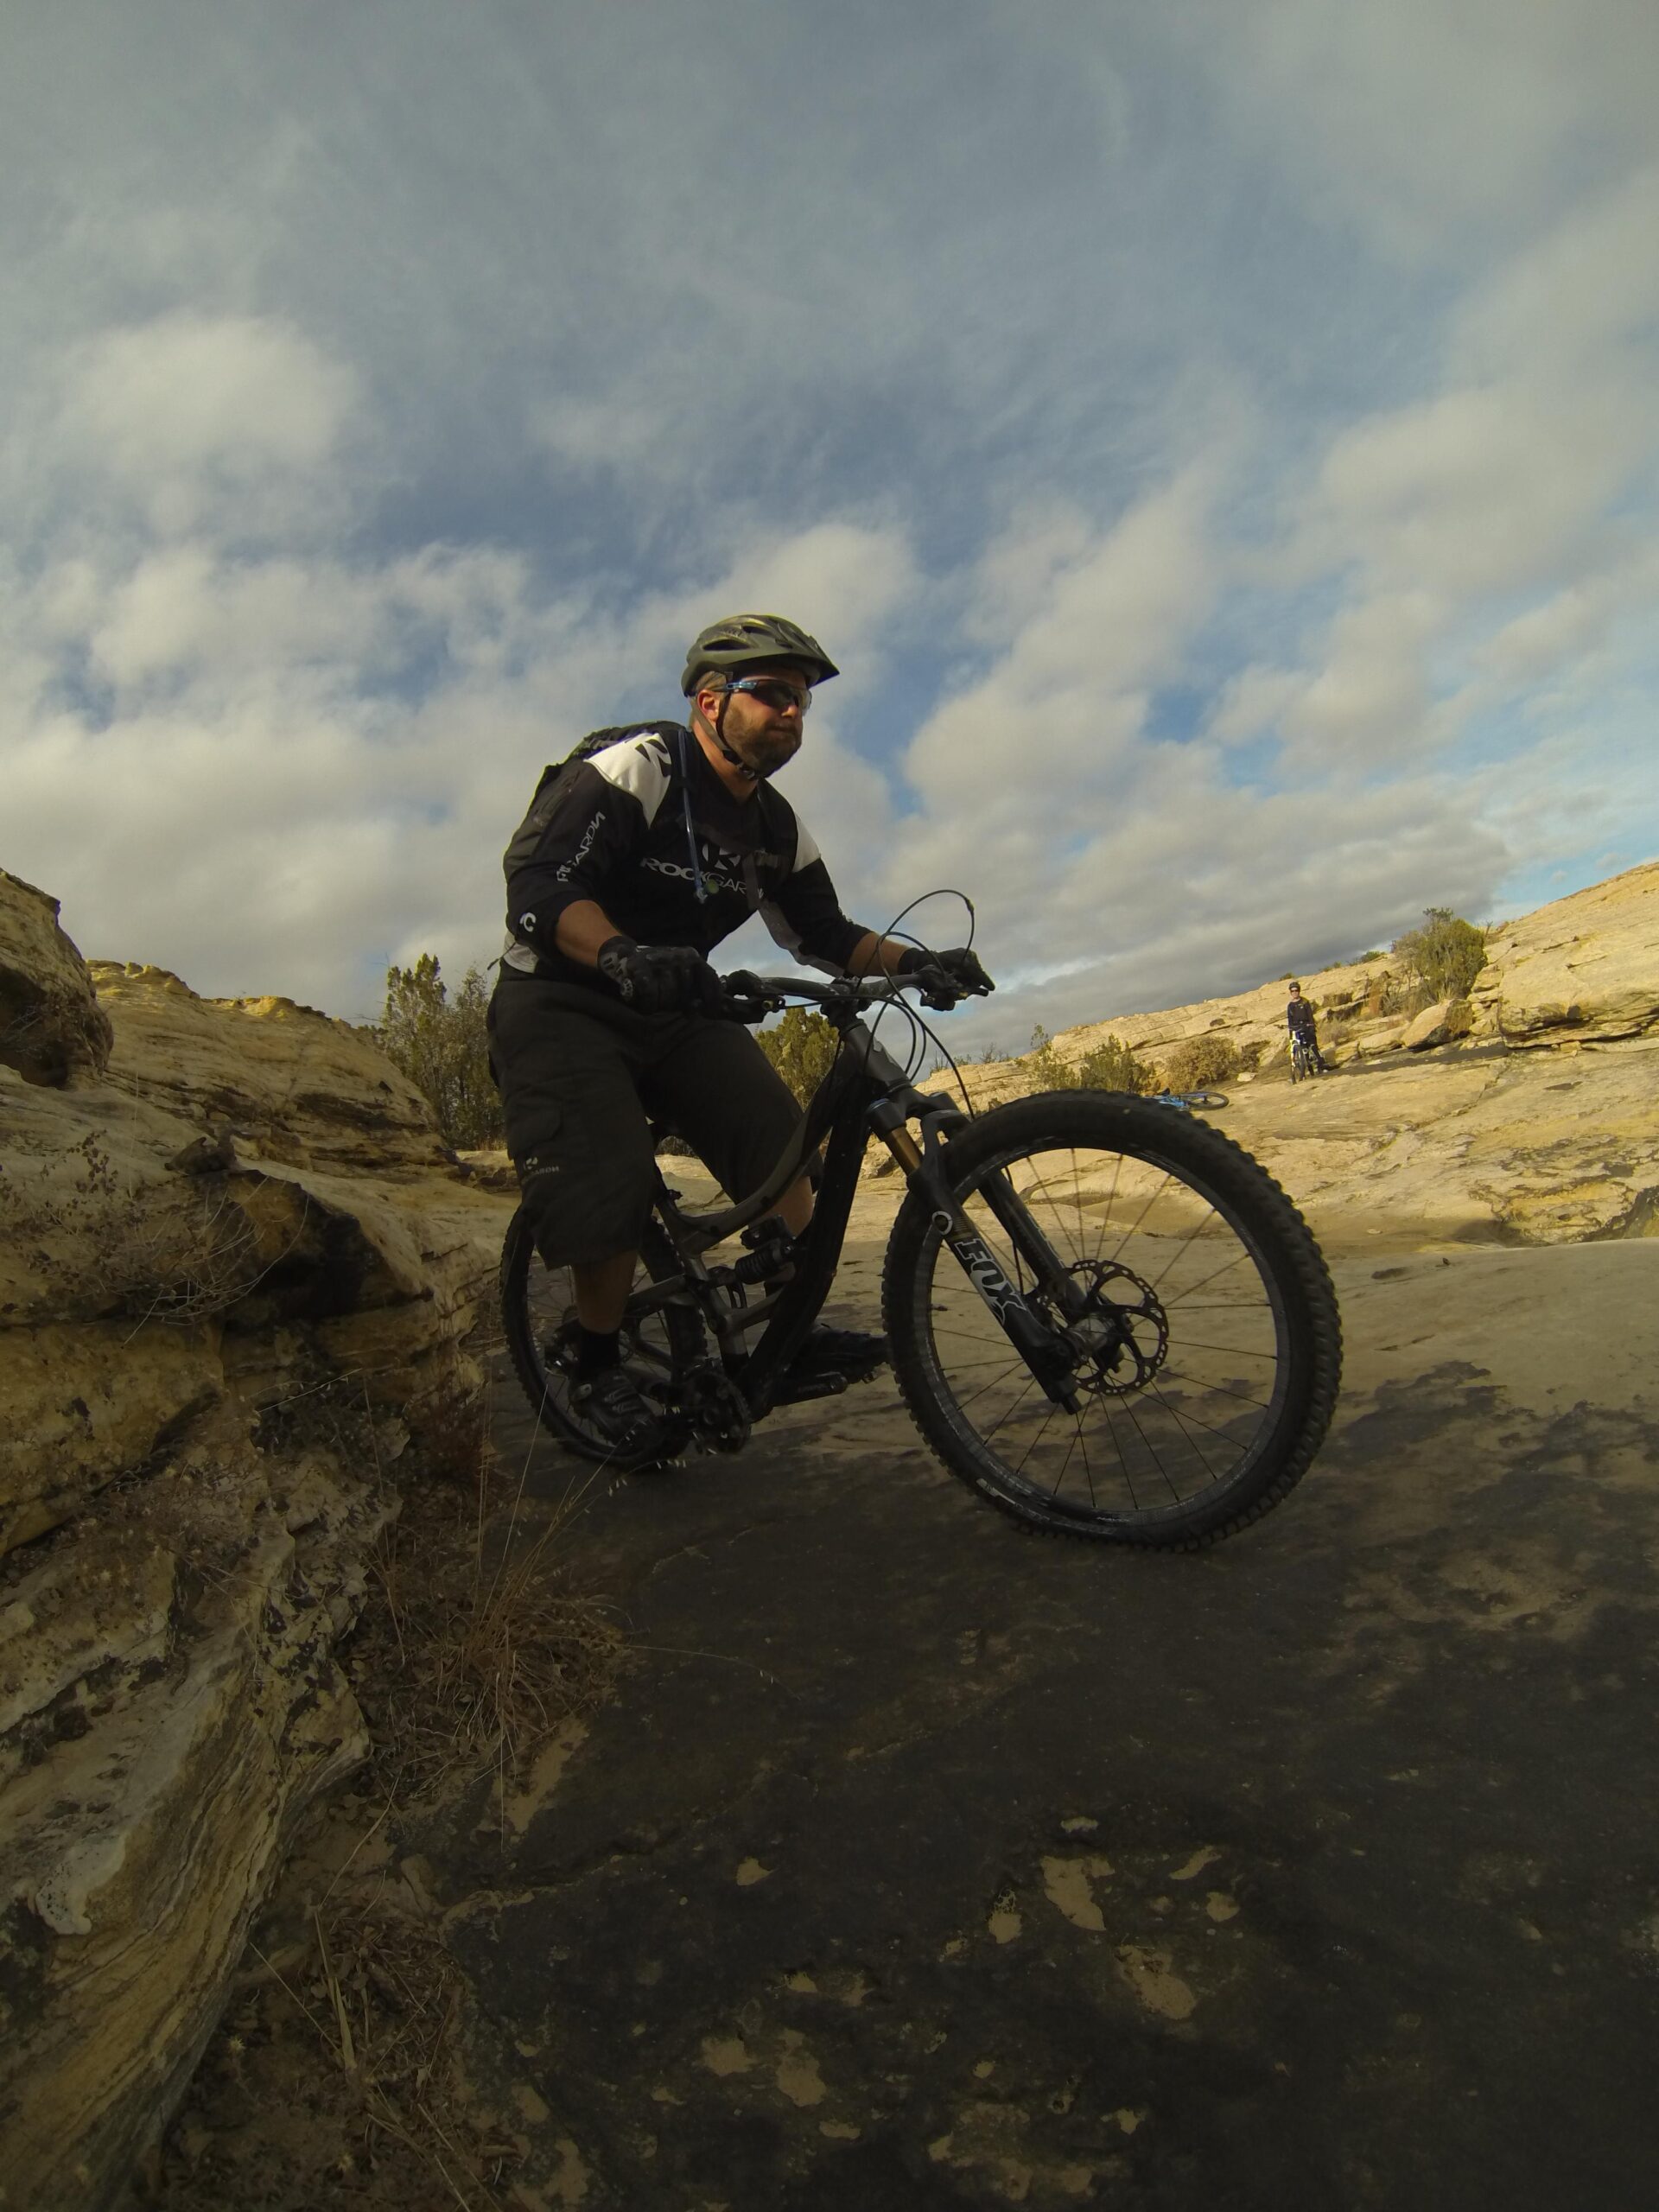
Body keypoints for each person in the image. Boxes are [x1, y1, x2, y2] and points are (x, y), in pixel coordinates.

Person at [489, 613, 993, 1458]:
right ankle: (597, 1354)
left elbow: (824, 931)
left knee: (786, 1145)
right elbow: (537, 884)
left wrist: (918, 962)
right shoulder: (643, 766)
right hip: (561, 998)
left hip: (676, 1003)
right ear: (711, 700)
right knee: (605, 1176)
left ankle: (783, 1340)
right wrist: (617, 951)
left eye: (801, 701)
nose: (793, 712)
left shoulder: (773, 826)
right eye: (774, 695)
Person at [1285, 982, 1325, 1073]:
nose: (1295, 992)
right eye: (1293, 991)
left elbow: (1310, 1015)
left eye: (1296, 990)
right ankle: (1309, 1068)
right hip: (1297, 1027)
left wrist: (1312, 1026)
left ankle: (1321, 1064)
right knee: (1304, 1048)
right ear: (1290, 992)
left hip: (1307, 1025)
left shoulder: (1304, 1002)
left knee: (1313, 1045)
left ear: (1299, 991)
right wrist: (1291, 1033)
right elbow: (1290, 1020)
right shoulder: (1290, 1006)